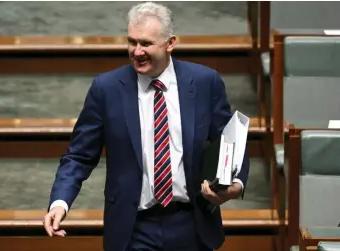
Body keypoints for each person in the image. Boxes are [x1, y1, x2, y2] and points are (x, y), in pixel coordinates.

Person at [44, 2, 250, 251]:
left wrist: (235, 184)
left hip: (192, 224)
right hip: (133, 229)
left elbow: (229, 141)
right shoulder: (106, 89)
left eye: (146, 43)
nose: (137, 51)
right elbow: (79, 155)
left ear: (170, 43)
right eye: (132, 42)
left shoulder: (206, 82)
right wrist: (59, 202)